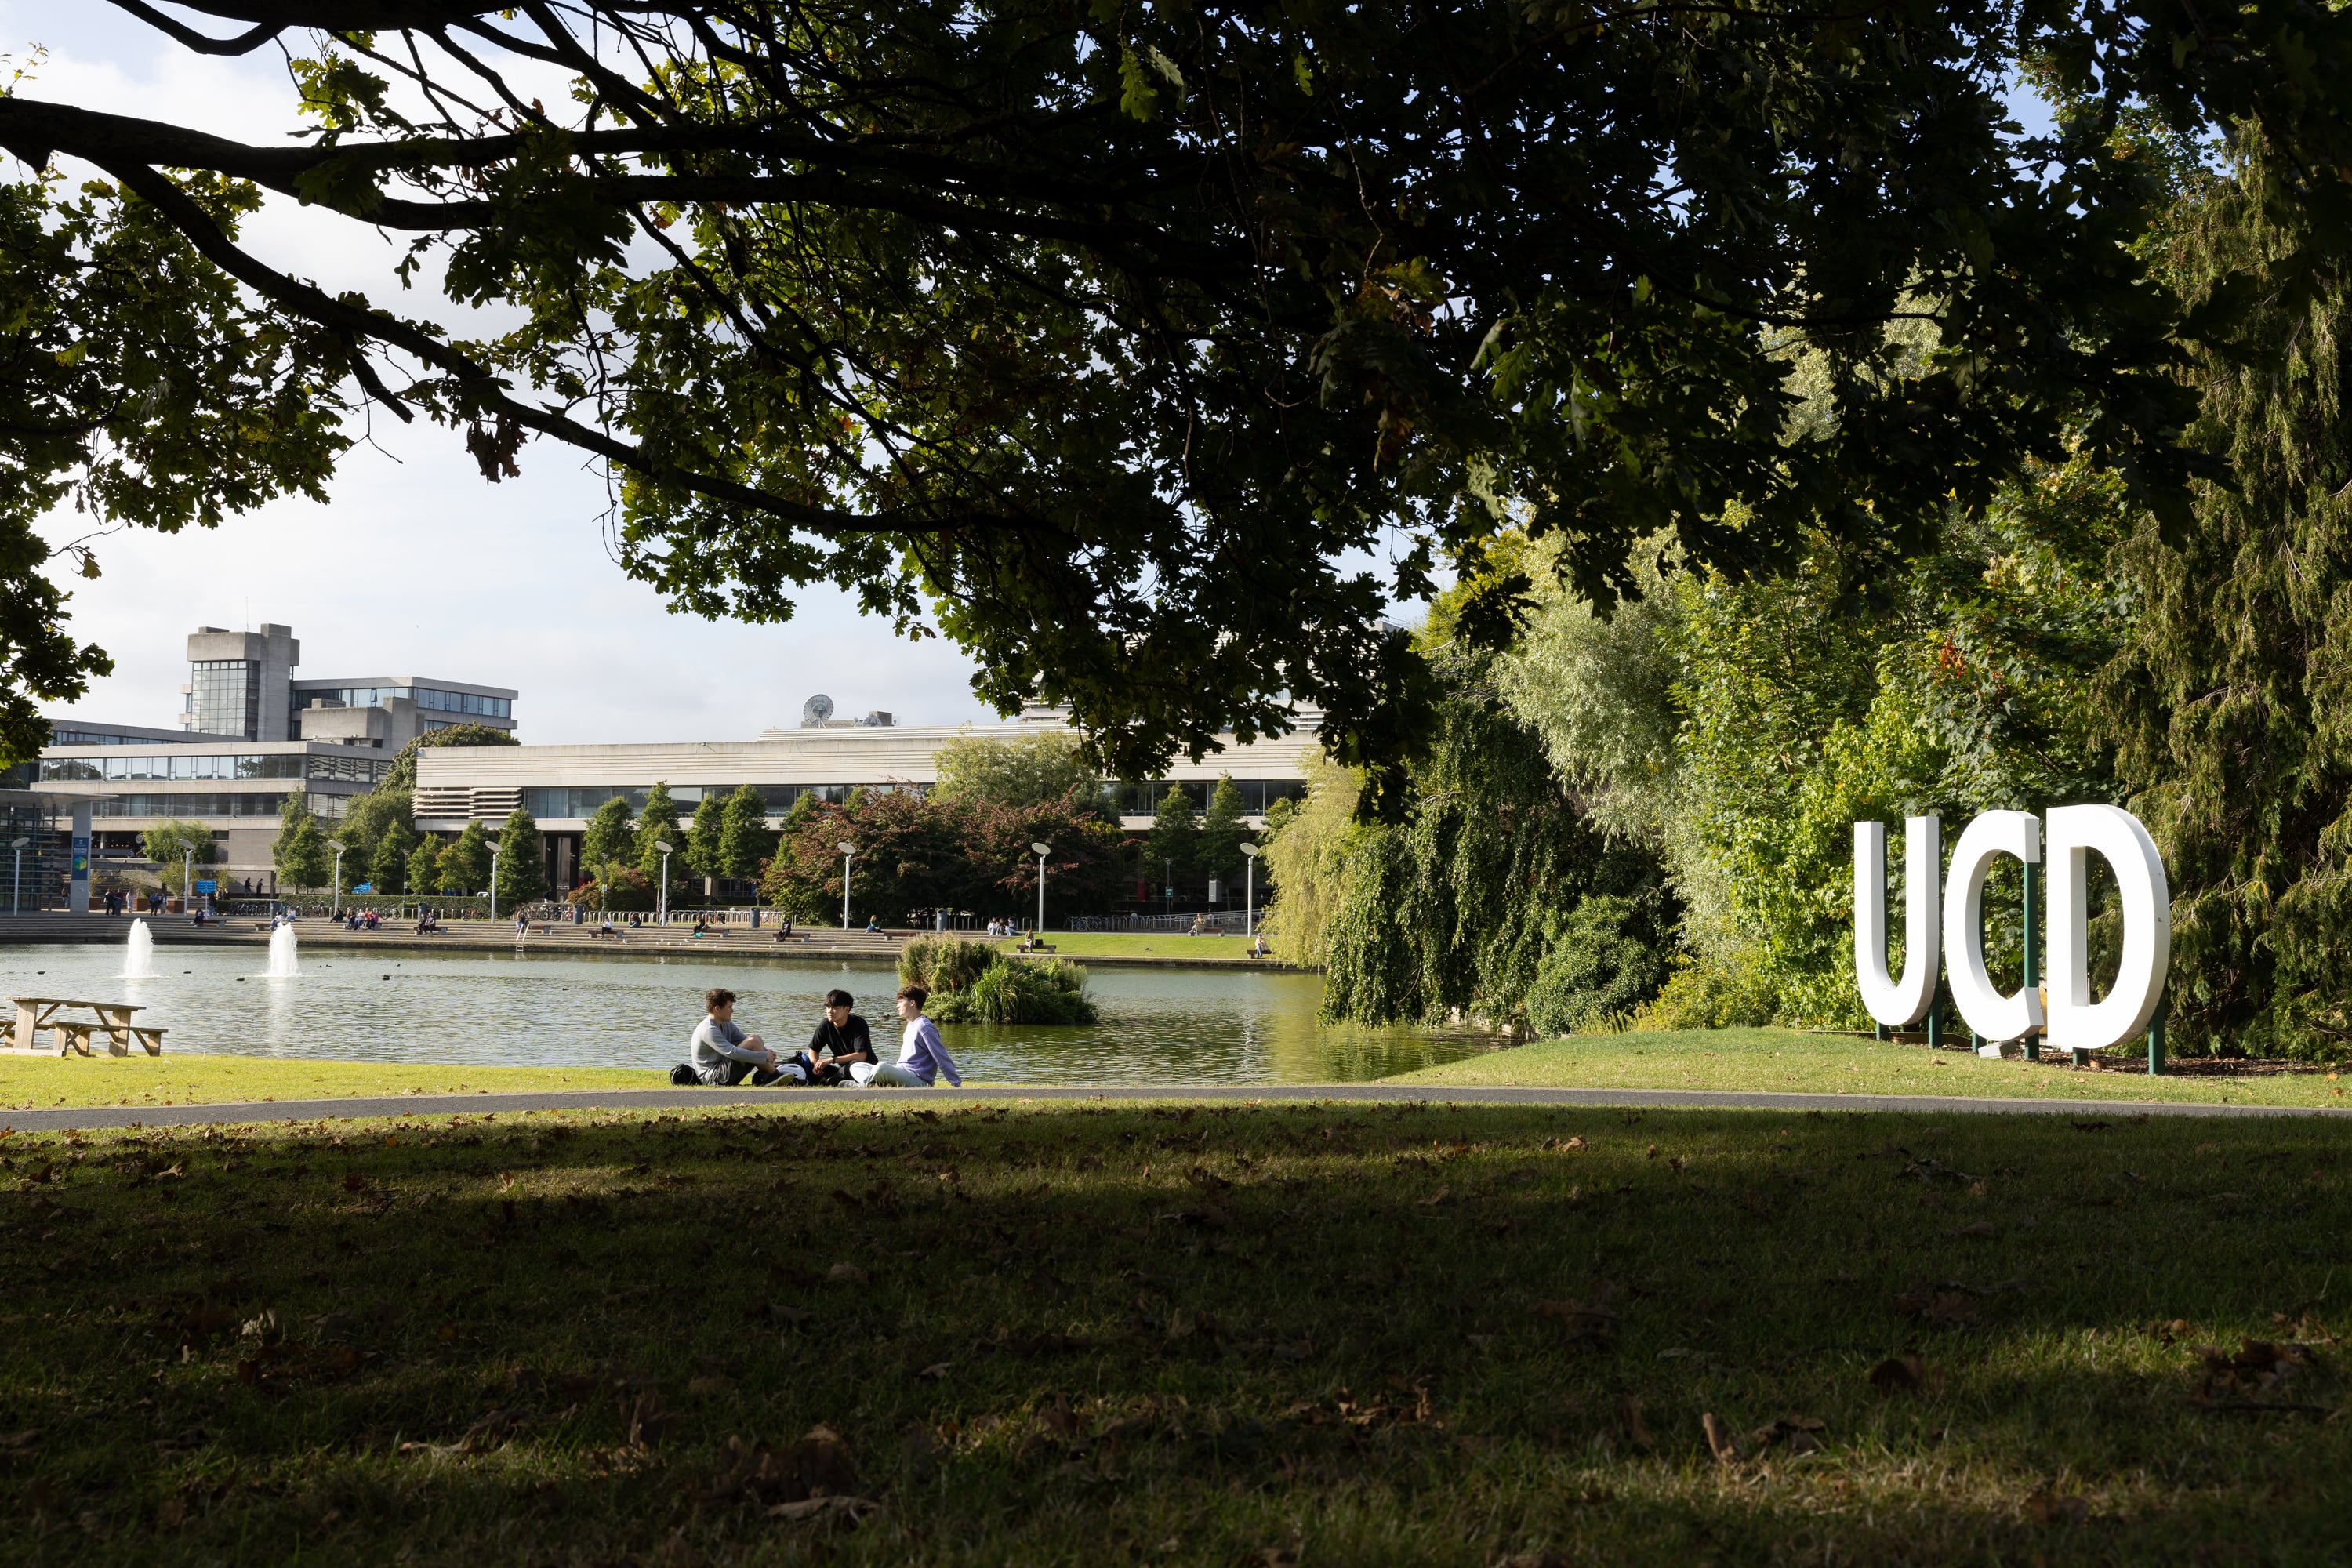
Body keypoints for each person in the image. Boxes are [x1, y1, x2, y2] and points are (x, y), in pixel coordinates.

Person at [679, 987, 800, 1087]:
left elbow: (748, 1043)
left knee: (755, 1039)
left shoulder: (726, 1024)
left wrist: (766, 1053)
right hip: (712, 1077)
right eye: (729, 1007)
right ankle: (775, 1076)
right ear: (717, 1009)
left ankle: (769, 1076)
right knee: (753, 1041)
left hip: (724, 1070)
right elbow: (732, 1053)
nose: (732, 1011)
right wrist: (764, 1056)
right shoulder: (708, 1030)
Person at [847, 985, 962, 1088]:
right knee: (856, 1066)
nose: (897, 1006)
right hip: (903, 1072)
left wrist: (956, 1083)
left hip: (919, 1079)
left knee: (881, 1068)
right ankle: (874, 1083)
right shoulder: (911, 1024)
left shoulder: (924, 1027)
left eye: (901, 1002)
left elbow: (941, 1056)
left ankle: (862, 1085)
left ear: (912, 1003)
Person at [793, 989, 877, 1085]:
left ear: (847, 1009)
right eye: (828, 1007)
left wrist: (832, 1060)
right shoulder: (825, 1024)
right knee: (805, 1062)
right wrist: (816, 1064)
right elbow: (813, 1050)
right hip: (843, 1069)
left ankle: (831, 1082)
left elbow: (861, 1057)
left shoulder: (859, 1024)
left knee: (852, 1066)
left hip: (863, 1068)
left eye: (835, 1008)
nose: (830, 1011)